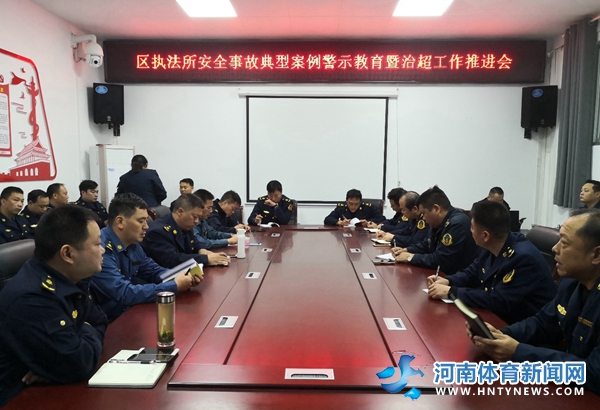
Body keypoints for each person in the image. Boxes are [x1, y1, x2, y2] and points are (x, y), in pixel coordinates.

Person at [469, 209, 600, 395]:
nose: (554, 248)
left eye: (564, 243)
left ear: (596, 255)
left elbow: (594, 373)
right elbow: (543, 323)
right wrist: (500, 334)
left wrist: (518, 352)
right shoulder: (571, 282)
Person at [0, 205, 107, 406]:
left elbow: (100, 321)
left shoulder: (74, 278)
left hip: (57, 390)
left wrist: (58, 363)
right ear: (68, 254)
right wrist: (81, 337)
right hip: (21, 399)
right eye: (97, 244)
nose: (103, 250)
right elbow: (79, 363)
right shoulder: (32, 298)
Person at [428, 200, 556, 324]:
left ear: (485, 236)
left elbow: (498, 300)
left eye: (472, 227)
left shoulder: (522, 257)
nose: (470, 231)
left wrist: (451, 292)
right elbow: (472, 272)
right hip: (498, 316)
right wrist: (449, 281)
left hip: (522, 326)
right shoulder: (491, 245)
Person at [91, 193, 200, 322]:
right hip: (108, 321)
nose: (146, 226)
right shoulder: (101, 249)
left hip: (128, 312)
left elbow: (153, 270)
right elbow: (123, 293)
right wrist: (174, 286)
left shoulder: (133, 245)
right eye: (140, 221)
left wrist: (182, 276)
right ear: (120, 222)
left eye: (146, 220)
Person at [392, 186, 478, 275]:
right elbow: (426, 244)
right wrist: (406, 250)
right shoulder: (438, 222)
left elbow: (441, 260)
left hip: (456, 277)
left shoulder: (457, 224)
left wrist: (411, 257)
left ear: (436, 209)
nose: (423, 218)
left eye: (424, 213)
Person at [142, 193, 230, 268]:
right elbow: (172, 259)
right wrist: (206, 259)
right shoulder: (158, 231)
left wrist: (202, 250)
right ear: (180, 212)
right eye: (195, 217)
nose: (196, 221)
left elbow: (194, 241)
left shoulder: (184, 224)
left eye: (198, 218)